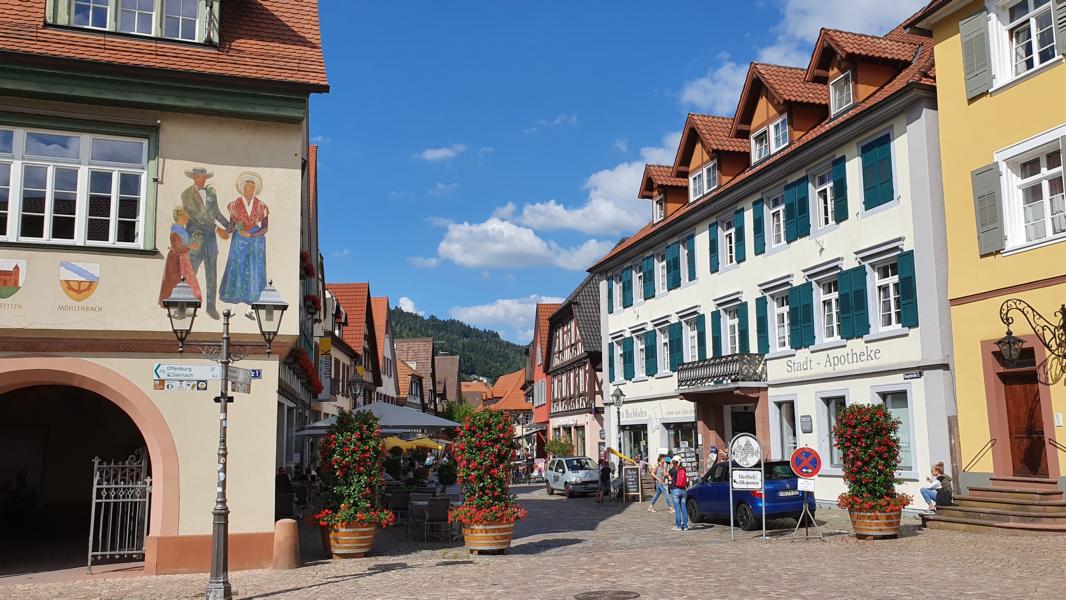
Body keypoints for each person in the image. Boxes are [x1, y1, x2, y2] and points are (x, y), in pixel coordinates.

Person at [180, 167, 229, 319]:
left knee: (212, 273)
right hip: (195, 237)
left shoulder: (211, 193)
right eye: (199, 176)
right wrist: (217, 229)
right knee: (191, 272)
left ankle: (211, 307)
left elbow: (216, 212)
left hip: (210, 240)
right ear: (193, 177)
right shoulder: (187, 194)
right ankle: (183, 306)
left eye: (204, 177)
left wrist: (229, 225)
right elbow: (197, 216)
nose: (202, 179)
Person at [219, 171, 269, 306]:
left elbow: (265, 228)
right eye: (247, 187)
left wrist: (252, 235)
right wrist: (224, 231)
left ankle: (252, 302)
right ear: (242, 188)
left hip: (255, 241)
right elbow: (231, 225)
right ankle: (234, 299)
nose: (249, 189)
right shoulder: (234, 205)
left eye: (252, 187)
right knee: (237, 266)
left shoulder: (261, 206)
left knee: (254, 269)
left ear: (255, 190)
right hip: (239, 239)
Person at [158, 207, 204, 305]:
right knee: (176, 281)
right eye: (186, 217)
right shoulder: (175, 230)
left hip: (182, 257)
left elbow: (183, 245)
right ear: (180, 217)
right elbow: (177, 248)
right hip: (176, 259)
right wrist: (190, 247)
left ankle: (185, 303)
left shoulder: (181, 229)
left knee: (185, 280)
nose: (187, 219)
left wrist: (192, 245)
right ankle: (177, 304)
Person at [668, 456, 689, 531]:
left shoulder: (671, 470)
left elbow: (668, 477)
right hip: (683, 490)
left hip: (675, 490)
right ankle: (686, 526)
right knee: (684, 508)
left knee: (677, 509)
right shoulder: (683, 469)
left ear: (673, 463)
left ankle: (678, 526)